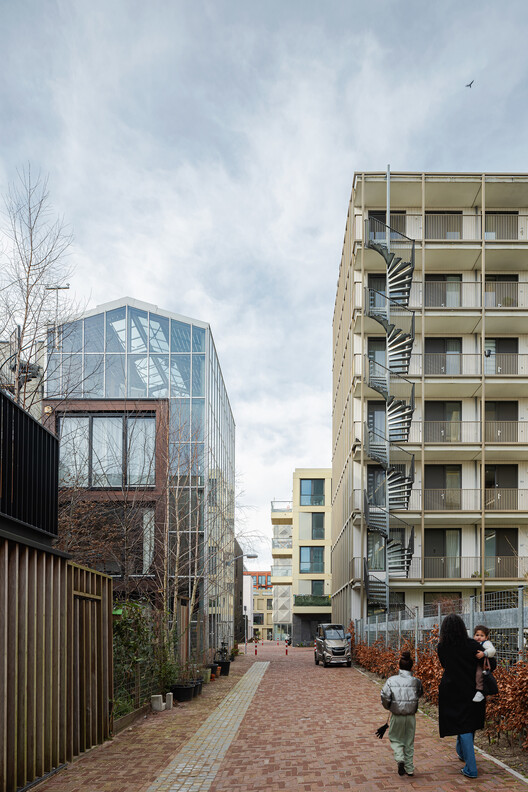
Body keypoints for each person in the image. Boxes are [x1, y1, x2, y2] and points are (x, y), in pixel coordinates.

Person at [437, 613, 485, 779]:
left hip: (451, 689)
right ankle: (463, 754)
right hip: (472, 689)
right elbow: (489, 662)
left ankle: (471, 768)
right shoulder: (472, 645)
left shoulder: (442, 647)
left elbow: (444, 665)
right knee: (468, 723)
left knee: (462, 724)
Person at [380, 650, 423, 777]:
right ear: (411, 666)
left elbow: (384, 696)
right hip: (411, 717)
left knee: (395, 738)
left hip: (396, 715)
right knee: (409, 741)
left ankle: (400, 759)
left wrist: (389, 706)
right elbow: (419, 693)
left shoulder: (391, 680)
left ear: (399, 666)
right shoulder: (416, 681)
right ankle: (409, 769)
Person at [472, 624, 496, 702]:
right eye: (477, 635)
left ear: (486, 637)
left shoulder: (486, 643)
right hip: (475, 663)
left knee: (479, 674)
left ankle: (480, 691)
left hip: (482, 664)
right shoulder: (473, 642)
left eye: (482, 635)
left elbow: (492, 650)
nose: (479, 637)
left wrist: (484, 653)